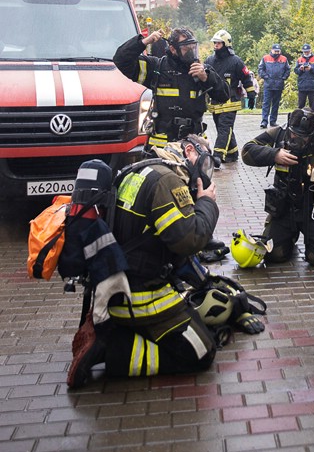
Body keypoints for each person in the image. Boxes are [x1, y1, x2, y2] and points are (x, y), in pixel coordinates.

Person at [67, 136, 221, 388]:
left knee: (198, 323)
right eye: (202, 161)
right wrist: (207, 203)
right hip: (143, 297)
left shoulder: (138, 170)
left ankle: (116, 332)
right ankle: (112, 351)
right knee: (201, 350)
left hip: (116, 290)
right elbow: (189, 240)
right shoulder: (168, 180)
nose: (203, 171)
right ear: (189, 151)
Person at [240, 101, 314, 266]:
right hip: (284, 205)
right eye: (294, 134)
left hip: (313, 206)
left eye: (303, 137)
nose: (297, 139)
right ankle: (289, 235)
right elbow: (247, 151)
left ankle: (309, 237)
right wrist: (274, 154)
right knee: (275, 254)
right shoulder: (279, 134)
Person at [114, 27, 230, 150]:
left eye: (193, 47)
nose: (191, 51)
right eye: (186, 48)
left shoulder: (202, 70)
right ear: (173, 49)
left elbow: (224, 96)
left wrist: (207, 78)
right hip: (161, 148)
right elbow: (121, 61)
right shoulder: (156, 68)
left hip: (194, 146)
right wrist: (144, 42)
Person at [204, 29, 255, 166]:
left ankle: (218, 155)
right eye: (214, 43)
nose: (215, 45)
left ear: (226, 44)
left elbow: (246, 78)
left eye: (218, 43)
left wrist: (251, 94)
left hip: (230, 102)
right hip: (215, 102)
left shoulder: (236, 61)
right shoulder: (209, 60)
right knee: (224, 129)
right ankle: (232, 154)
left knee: (224, 128)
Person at [257, 43, 290, 129]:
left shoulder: (284, 59)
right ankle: (264, 121)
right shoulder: (265, 58)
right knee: (266, 104)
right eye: (275, 51)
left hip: (279, 85)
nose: (276, 53)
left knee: (275, 104)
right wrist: (266, 77)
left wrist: (283, 78)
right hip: (268, 84)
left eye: (278, 51)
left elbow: (288, 70)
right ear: (271, 50)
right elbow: (260, 69)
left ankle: (273, 121)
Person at [294, 43, 314, 112]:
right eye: (305, 51)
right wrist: (300, 69)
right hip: (302, 85)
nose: (306, 53)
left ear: (310, 50)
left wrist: (311, 68)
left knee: (313, 106)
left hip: (312, 85)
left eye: (307, 51)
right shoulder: (299, 59)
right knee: (300, 106)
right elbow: (296, 71)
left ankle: (313, 121)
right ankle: (299, 121)